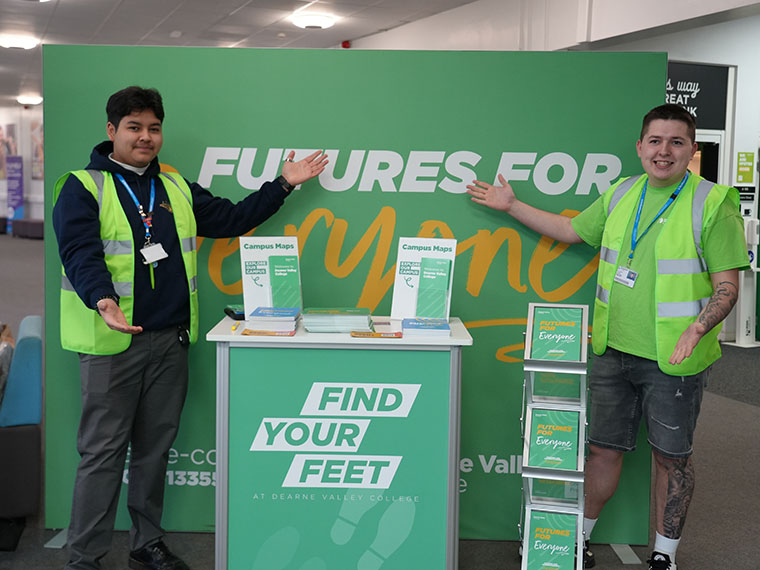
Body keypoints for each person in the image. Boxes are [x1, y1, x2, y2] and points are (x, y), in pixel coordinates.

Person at [52, 86, 328, 570]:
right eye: (134, 127)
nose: (145, 137)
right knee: (102, 453)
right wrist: (103, 299)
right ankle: (84, 557)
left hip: (170, 341)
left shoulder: (175, 187)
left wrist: (284, 184)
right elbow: (79, 252)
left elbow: (233, 218)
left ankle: (146, 542)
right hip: (111, 341)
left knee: (155, 450)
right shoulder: (83, 185)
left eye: (154, 128)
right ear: (112, 131)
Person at [467, 104, 748, 570]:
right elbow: (571, 230)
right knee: (601, 450)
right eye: (655, 141)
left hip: (673, 360)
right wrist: (512, 205)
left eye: (677, 142)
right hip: (612, 353)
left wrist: (698, 327)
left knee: (671, 460)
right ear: (640, 147)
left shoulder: (713, 203)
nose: (664, 151)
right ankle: (578, 541)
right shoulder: (622, 193)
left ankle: (664, 555)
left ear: (691, 151)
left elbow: (728, 285)